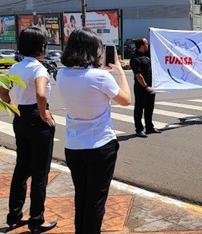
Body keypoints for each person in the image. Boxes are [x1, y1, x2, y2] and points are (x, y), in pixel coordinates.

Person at [56, 28, 131, 234]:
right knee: (96, 201)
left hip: (73, 147)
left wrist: (103, 73)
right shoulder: (100, 78)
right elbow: (126, 99)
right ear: (92, 50)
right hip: (100, 146)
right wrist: (121, 72)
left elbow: (84, 80)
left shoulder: (61, 74)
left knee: (81, 198)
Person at [0, 27, 57, 233]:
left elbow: (3, 90)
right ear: (41, 47)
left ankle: (14, 215)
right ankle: (36, 219)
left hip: (20, 117)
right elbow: (41, 94)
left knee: (22, 168)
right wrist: (43, 113)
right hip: (36, 118)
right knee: (40, 172)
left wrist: (11, 104)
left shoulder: (15, 68)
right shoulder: (38, 68)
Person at [130, 38, 161, 138]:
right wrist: (146, 86)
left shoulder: (147, 55)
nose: (148, 45)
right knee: (139, 109)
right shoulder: (135, 58)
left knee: (149, 108)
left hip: (151, 87)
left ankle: (149, 127)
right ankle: (139, 129)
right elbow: (138, 75)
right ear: (142, 45)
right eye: (146, 43)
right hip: (141, 88)